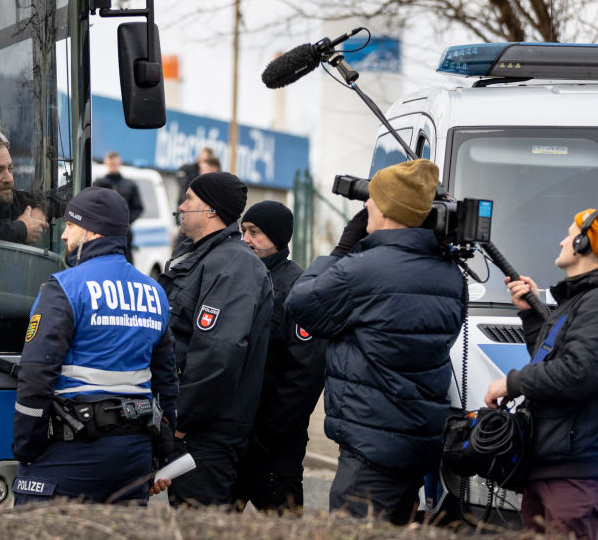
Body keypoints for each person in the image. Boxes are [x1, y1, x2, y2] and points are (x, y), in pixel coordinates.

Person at [285, 159, 465, 523]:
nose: (365, 203)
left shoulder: (366, 269)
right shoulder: (450, 273)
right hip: (416, 441)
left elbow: (300, 304)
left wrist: (340, 251)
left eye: (373, 198)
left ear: (385, 207)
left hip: (370, 445)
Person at [484, 208, 598, 540]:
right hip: (556, 470)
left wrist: (512, 382)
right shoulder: (584, 300)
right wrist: (531, 318)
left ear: (587, 243)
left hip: (574, 477)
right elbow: (553, 364)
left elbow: (577, 373)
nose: (562, 241)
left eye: (569, 233)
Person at [11, 187, 178, 505]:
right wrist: (159, 455)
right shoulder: (155, 293)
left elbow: (35, 376)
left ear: (91, 230)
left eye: (70, 226)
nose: (63, 236)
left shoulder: (64, 288)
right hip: (134, 455)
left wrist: (26, 448)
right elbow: (166, 381)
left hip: (71, 452)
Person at [158, 171, 273, 507]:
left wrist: (183, 419)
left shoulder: (233, 264)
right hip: (192, 428)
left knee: (199, 523)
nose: (181, 206)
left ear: (210, 210)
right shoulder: (201, 256)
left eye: (188, 199)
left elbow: (218, 354)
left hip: (206, 434)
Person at [233, 201, 326, 513]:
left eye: (255, 232)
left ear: (277, 238)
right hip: (234, 435)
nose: (246, 238)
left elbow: (306, 372)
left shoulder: (299, 288)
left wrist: (269, 435)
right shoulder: (237, 278)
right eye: (243, 230)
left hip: (274, 443)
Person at [93, 151, 144, 263]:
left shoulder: (129, 185)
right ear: (106, 162)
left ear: (119, 162)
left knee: (125, 261)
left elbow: (138, 208)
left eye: (114, 163)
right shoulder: (98, 184)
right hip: (102, 231)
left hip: (124, 232)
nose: (112, 165)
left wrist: (125, 221)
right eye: (110, 163)